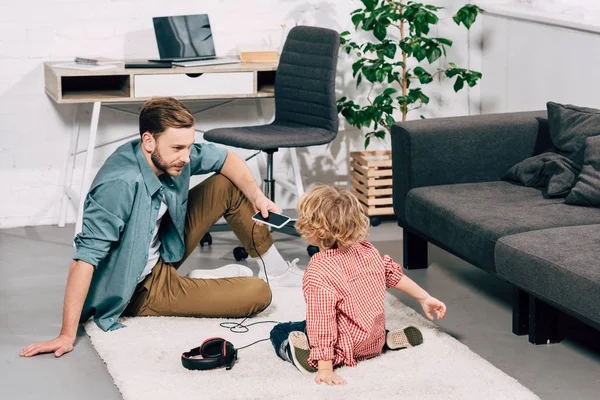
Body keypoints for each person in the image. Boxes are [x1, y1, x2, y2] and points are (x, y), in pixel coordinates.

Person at [20, 97, 304, 358]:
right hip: (140, 287)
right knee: (258, 294)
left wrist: (257, 196)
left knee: (226, 183)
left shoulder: (174, 158)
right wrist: (67, 335)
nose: (187, 156)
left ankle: (277, 270)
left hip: (165, 249)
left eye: (190, 146)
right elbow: (84, 260)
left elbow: (227, 159)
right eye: (178, 148)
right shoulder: (119, 184)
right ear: (148, 141)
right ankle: (197, 284)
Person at [269, 185, 447, 385]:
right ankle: (385, 340)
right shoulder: (366, 250)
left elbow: (322, 320)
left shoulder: (319, 270)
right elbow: (392, 274)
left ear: (314, 229)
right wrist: (424, 297)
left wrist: (325, 368)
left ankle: (303, 357)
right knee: (355, 316)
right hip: (372, 338)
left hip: (345, 347)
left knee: (281, 330)